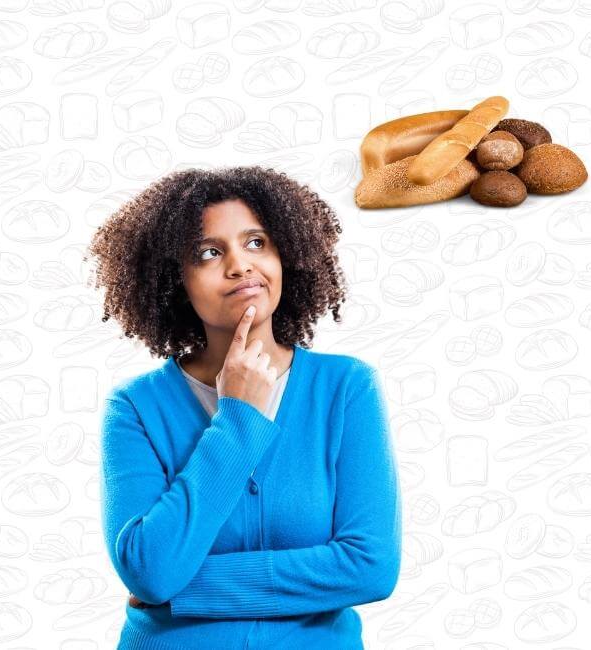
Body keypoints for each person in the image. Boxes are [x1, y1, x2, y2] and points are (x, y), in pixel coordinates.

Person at [85, 166, 402, 649]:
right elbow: (149, 568)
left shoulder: (346, 388)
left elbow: (370, 567)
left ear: (285, 256)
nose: (240, 265)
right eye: (210, 253)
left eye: (257, 243)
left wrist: (181, 592)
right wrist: (239, 418)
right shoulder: (135, 408)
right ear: (176, 281)